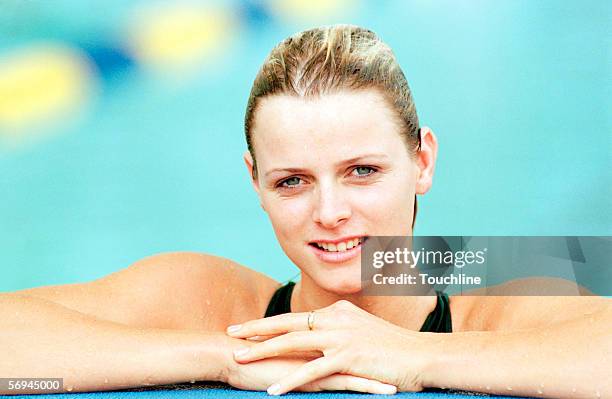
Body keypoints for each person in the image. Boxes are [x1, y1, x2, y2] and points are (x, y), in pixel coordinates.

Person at [1, 25, 610, 398]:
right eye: (292, 181)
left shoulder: (497, 296)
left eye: (362, 172)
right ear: (255, 182)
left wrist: (413, 358)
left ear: (422, 161)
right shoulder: (212, 301)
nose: (330, 212)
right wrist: (225, 356)